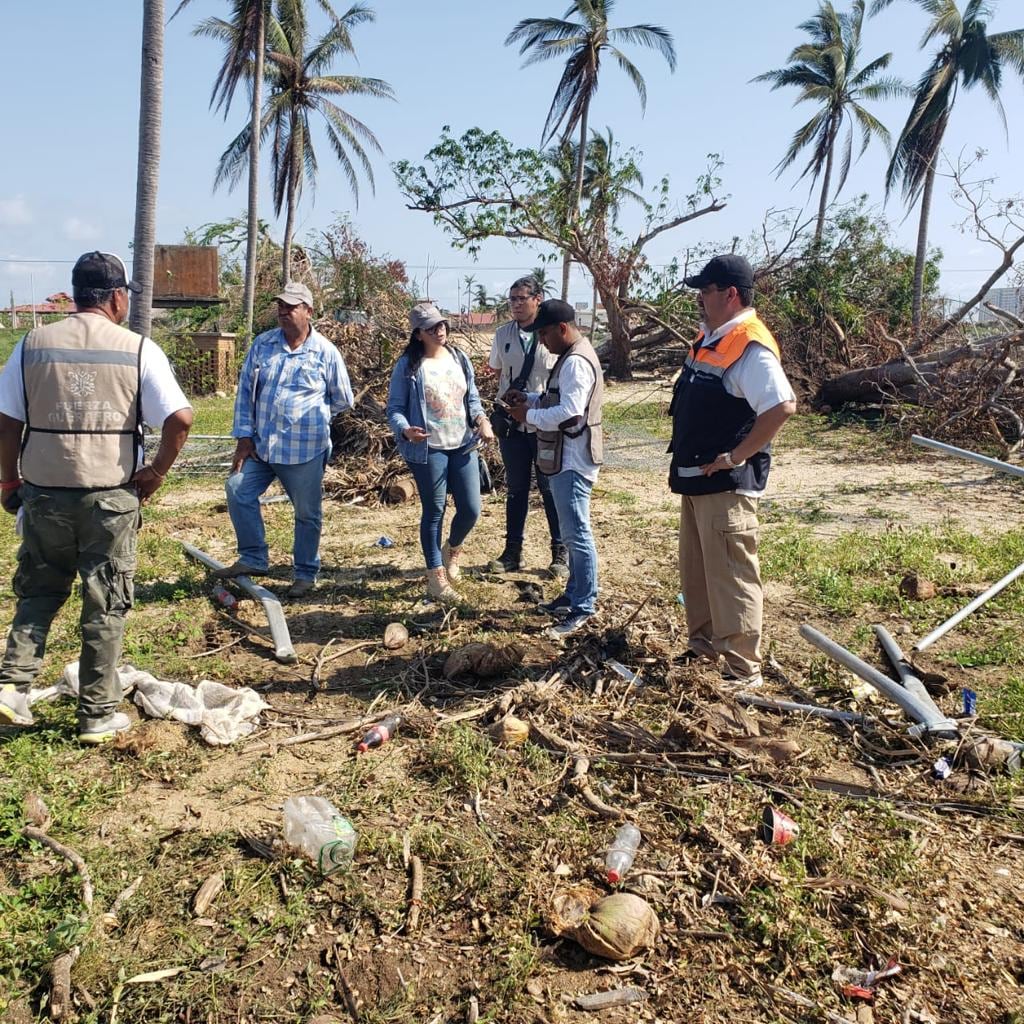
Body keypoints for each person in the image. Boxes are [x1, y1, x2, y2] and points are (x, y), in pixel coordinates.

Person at [0, 251, 193, 743]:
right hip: (110, 496)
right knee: (104, 604)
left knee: (39, 591)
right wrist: (155, 472)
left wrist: (9, 482)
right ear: (116, 296)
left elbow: (6, 422)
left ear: (76, 293)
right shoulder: (137, 349)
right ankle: (97, 713)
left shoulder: (31, 345)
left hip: (43, 492)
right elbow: (180, 418)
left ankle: (14, 687)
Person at [668, 254, 796, 688]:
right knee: (700, 571)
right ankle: (703, 648)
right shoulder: (712, 339)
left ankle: (743, 667)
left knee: (731, 574)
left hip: (726, 485)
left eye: (706, 291)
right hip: (698, 482)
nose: (700, 299)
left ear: (731, 294)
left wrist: (737, 455)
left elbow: (781, 406)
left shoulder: (749, 345)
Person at [215, 281, 353, 598]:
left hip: (305, 451)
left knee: (307, 514)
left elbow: (342, 399)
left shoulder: (326, 353)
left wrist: (312, 417)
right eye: (280, 305)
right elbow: (245, 396)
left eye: (290, 306)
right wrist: (244, 437)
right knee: (237, 488)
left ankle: (305, 573)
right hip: (262, 447)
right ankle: (253, 558)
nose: (283, 311)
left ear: (308, 311)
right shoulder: (263, 346)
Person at [506, 300, 604, 639]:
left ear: (562, 329)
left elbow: (569, 412)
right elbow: (556, 399)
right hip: (566, 457)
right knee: (572, 530)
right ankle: (572, 595)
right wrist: (531, 399)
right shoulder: (570, 356)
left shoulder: (575, 361)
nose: (543, 341)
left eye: (545, 334)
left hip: (573, 459)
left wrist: (528, 417)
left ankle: (584, 606)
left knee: (577, 533)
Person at [386, 302, 494, 603]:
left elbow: (472, 398)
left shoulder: (458, 357)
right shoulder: (408, 366)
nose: (440, 329)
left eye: (442, 324)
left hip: (463, 444)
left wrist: (482, 420)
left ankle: (451, 551)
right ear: (418, 333)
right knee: (434, 512)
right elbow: (393, 408)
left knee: (471, 509)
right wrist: (406, 429)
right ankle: (435, 578)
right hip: (428, 450)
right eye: (432, 326)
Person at [486, 276, 566, 577]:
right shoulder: (502, 334)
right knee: (516, 489)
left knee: (549, 489)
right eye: (512, 299)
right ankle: (512, 552)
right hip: (512, 425)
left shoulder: (552, 334)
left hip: (544, 422)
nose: (517, 304)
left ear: (538, 299)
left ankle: (560, 553)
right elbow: (496, 370)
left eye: (522, 298)